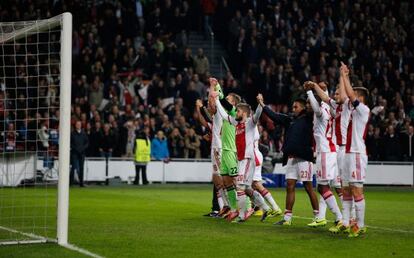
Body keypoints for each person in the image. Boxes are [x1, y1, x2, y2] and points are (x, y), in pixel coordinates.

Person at [257, 94, 319, 226]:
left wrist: (312, 94)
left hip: (304, 159)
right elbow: (275, 116)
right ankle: (287, 218)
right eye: (293, 106)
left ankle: (318, 216)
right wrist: (262, 105)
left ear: (303, 107)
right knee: (290, 186)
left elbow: (314, 107)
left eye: (296, 106)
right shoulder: (289, 119)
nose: (293, 108)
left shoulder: (309, 118)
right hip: (291, 159)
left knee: (308, 187)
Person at [214, 92, 272, 222]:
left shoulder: (250, 123)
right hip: (241, 159)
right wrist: (217, 101)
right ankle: (265, 208)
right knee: (246, 188)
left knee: (240, 186)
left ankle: (242, 214)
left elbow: (257, 115)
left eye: (238, 111)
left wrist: (260, 103)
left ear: (243, 113)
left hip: (248, 158)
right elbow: (224, 115)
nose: (236, 112)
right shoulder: (236, 123)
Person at [305, 81, 343, 230]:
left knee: (322, 187)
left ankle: (340, 218)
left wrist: (309, 91)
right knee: (329, 186)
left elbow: (316, 108)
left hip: (326, 151)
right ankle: (323, 217)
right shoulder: (331, 109)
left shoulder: (323, 109)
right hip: (331, 151)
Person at [340, 63, 370, 237]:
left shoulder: (363, 110)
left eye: (355, 95)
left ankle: (360, 224)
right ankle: (347, 221)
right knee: (346, 189)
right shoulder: (354, 111)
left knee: (357, 189)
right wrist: (342, 75)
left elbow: (349, 95)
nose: (352, 98)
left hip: (357, 154)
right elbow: (346, 95)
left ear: (361, 98)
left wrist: (345, 75)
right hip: (349, 154)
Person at [209, 78, 241, 221]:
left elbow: (220, 101)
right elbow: (219, 100)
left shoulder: (232, 113)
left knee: (234, 181)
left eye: (229, 99)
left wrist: (215, 90)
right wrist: (216, 86)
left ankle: (249, 206)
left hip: (227, 149)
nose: (225, 99)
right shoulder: (225, 112)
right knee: (224, 181)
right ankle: (231, 207)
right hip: (221, 148)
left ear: (233, 103)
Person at [195, 97, 229, 217]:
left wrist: (200, 107)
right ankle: (221, 208)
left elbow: (206, 119)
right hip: (218, 149)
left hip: (221, 150)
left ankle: (232, 208)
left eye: (211, 105)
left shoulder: (221, 116)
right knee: (217, 180)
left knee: (224, 180)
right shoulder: (217, 119)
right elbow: (204, 122)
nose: (209, 106)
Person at [70, 120, 89, 187]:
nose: (78, 125)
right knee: (73, 167)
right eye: (77, 124)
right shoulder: (72, 133)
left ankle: (81, 183)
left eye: (79, 124)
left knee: (81, 168)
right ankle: (70, 183)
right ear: (75, 125)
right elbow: (71, 143)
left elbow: (87, 143)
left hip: (82, 153)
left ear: (81, 125)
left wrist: (82, 148)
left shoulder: (84, 133)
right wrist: (76, 149)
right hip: (74, 152)